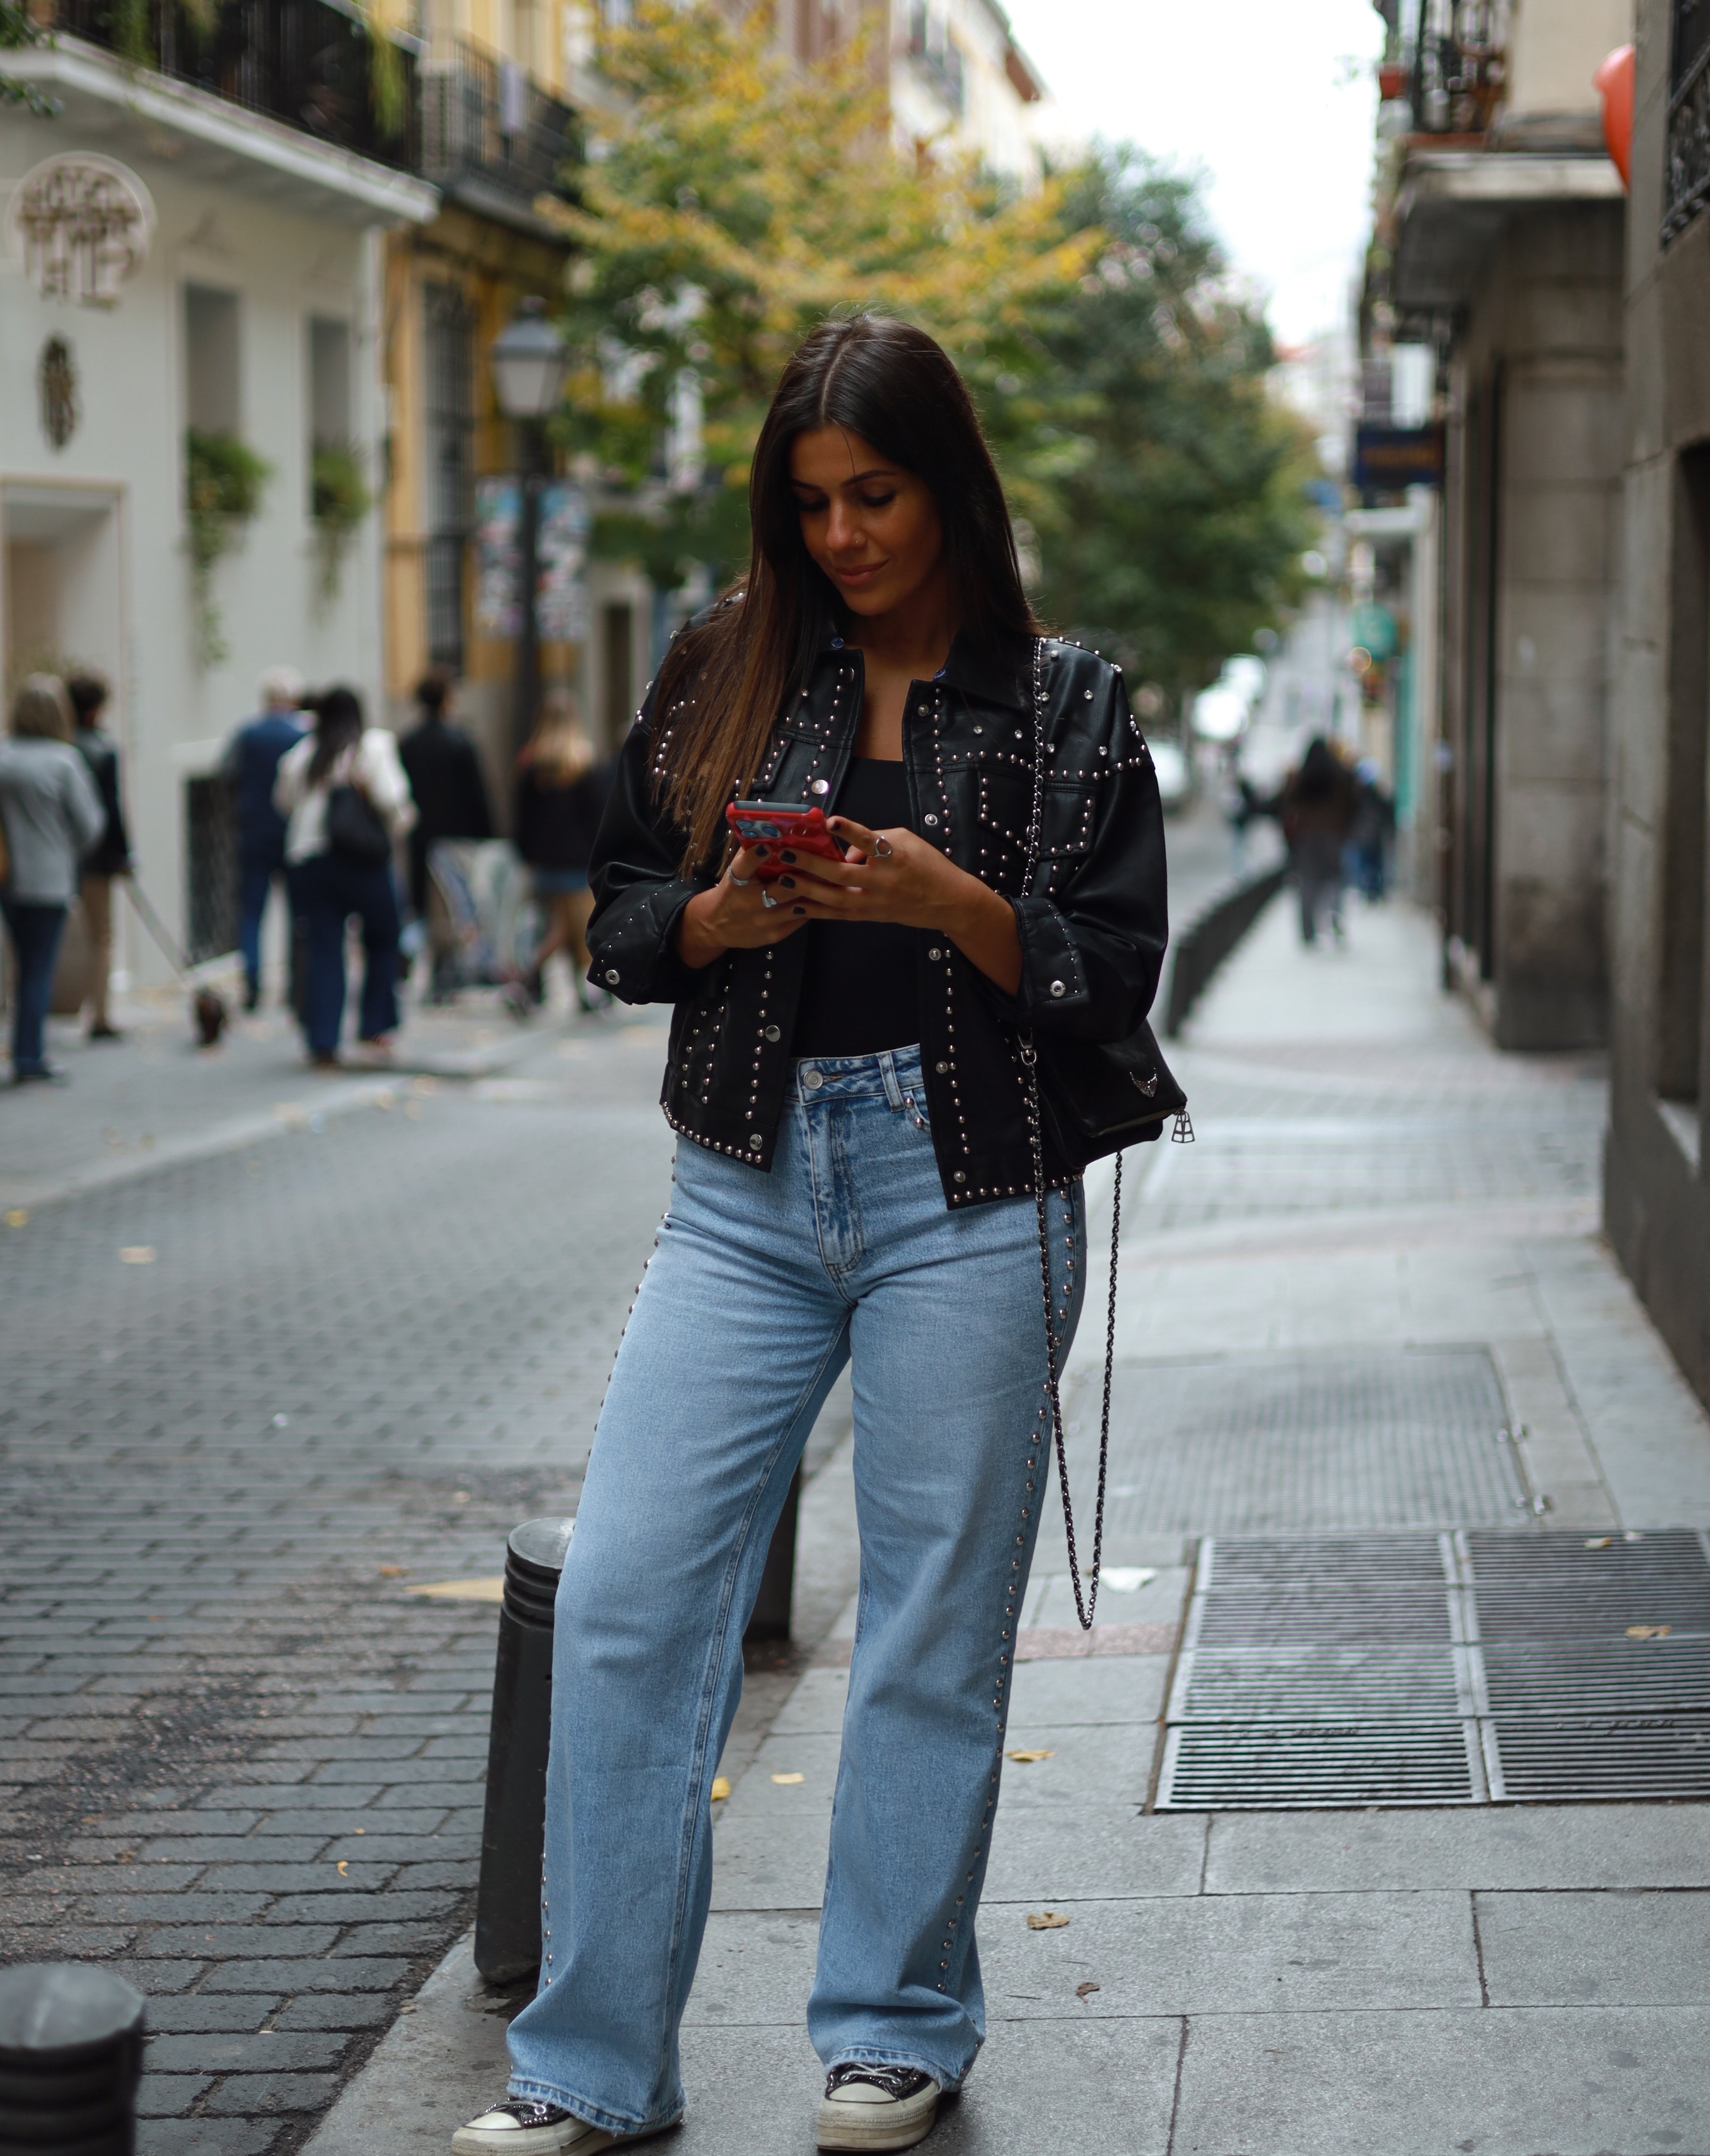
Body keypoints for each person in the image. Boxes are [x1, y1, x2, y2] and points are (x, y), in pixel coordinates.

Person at [452, 315, 1166, 2156]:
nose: (842, 537)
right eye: (810, 504)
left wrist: (952, 904)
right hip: (744, 1199)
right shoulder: (721, 668)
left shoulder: (1064, 700)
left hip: (971, 1193)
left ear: (949, 485)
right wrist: (713, 927)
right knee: (621, 1604)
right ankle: (587, 2069)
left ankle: (891, 2032)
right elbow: (615, 917)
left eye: (875, 495)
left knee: (927, 1628)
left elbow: (1109, 973)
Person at [275, 686, 414, 1069]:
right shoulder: (371, 747)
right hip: (361, 859)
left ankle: (322, 1038)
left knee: (323, 947)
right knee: (384, 937)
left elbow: (284, 802)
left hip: (309, 860)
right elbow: (392, 798)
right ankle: (375, 1024)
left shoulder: (302, 755)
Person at [0, 675, 105, 1084]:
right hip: (49, 879)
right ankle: (30, 1057)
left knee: (23, 965)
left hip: (5, 879)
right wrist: (66, 847)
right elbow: (90, 824)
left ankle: (24, 1048)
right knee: (39, 968)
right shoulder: (63, 760)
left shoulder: (1, 756)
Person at [511, 696, 612, 1008]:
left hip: (544, 859)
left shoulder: (532, 765)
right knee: (569, 926)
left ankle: (582, 993)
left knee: (562, 923)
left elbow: (522, 816)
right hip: (578, 858)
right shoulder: (584, 763)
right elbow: (598, 817)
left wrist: (526, 853)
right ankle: (528, 977)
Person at [224, 667, 308, 1011]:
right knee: (296, 912)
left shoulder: (247, 734)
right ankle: (293, 985)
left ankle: (253, 985)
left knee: (251, 913)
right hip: (293, 833)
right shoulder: (303, 734)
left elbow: (227, 772)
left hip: (254, 831)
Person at [399, 666, 494, 935]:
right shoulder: (460, 741)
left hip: (421, 832)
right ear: (447, 699)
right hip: (457, 834)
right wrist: (487, 833)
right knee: (458, 898)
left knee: (421, 899)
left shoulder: (409, 742)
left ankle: (422, 948)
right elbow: (476, 792)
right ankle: (455, 951)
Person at [66, 673, 133, 1041]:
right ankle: (100, 1014)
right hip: (95, 858)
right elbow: (111, 808)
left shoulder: (59, 744)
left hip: (61, 855)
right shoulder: (102, 749)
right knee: (101, 936)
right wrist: (122, 855)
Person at [1281, 735, 1356, 945]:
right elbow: (1353, 803)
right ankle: (1334, 914)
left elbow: (1288, 802)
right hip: (1334, 836)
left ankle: (1308, 930)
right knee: (1334, 879)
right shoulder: (1341, 776)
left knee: (1309, 882)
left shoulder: (1302, 778)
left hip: (1308, 838)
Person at [1348, 756, 1395, 901]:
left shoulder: (1360, 796)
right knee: (1372, 865)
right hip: (1371, 836)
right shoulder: (1371, 796)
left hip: (1366, 836)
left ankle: (1371, 891)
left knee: (1368, 865)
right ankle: (1372, 891)